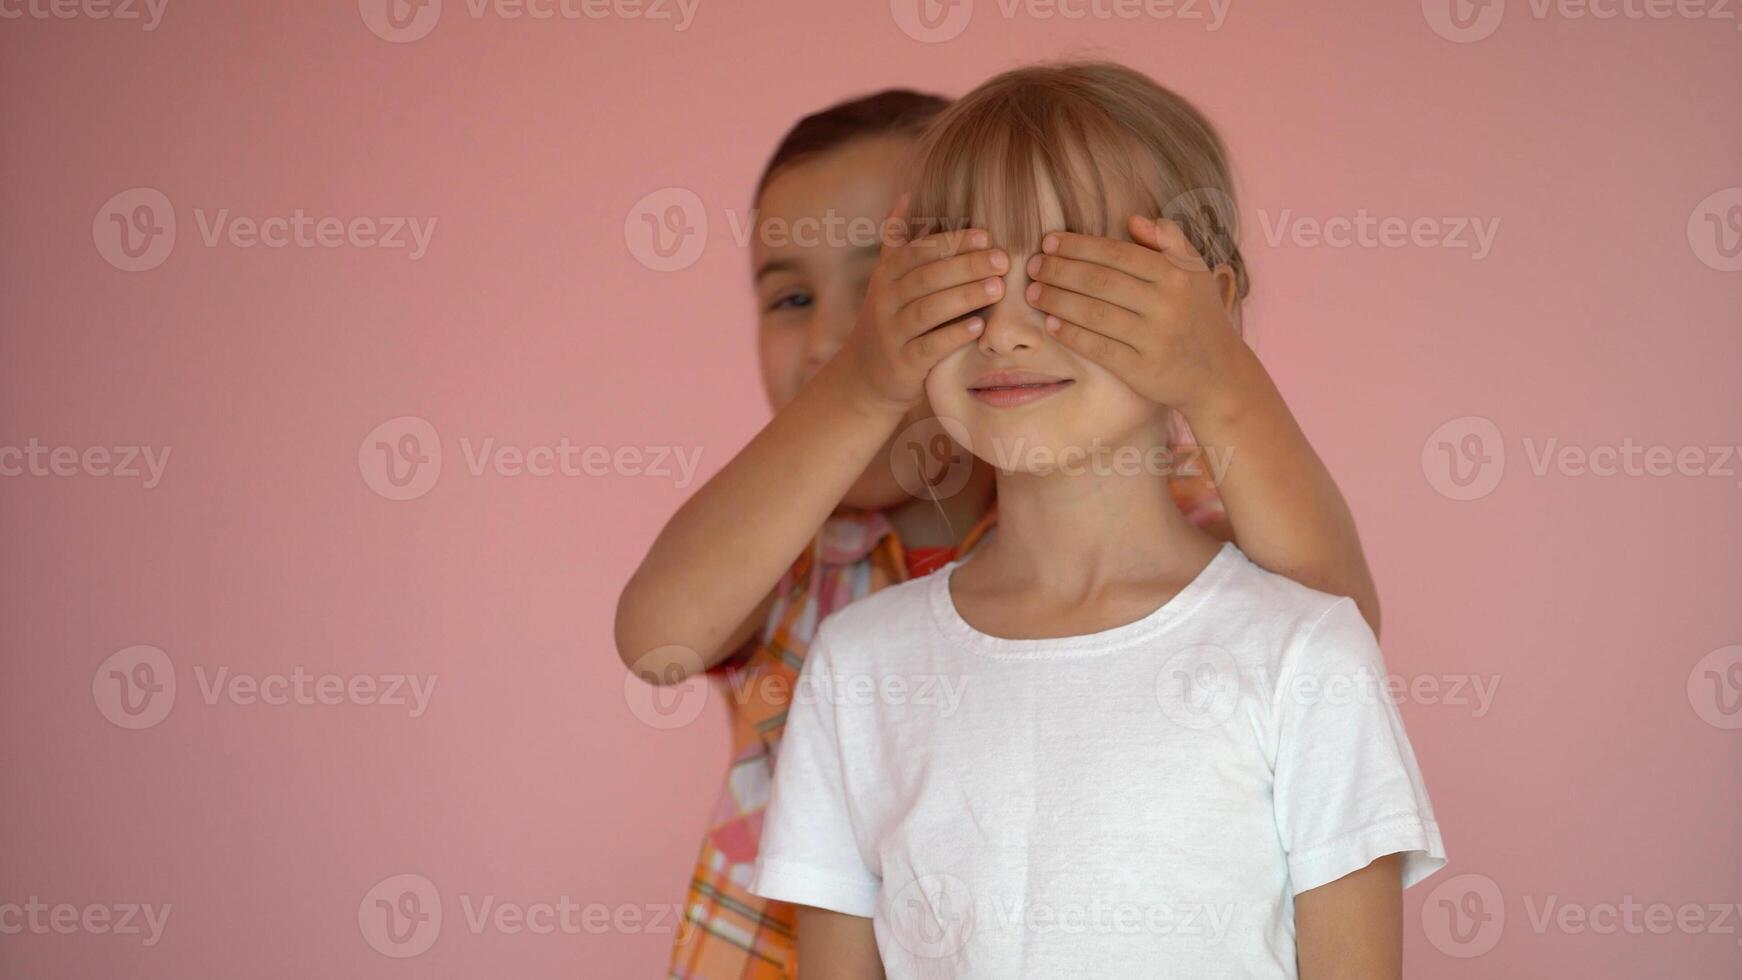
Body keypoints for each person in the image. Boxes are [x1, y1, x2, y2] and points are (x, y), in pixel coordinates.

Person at [620, 84, 1382, 979]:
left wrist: (1217, 372)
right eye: (791, 300)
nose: (834, 335)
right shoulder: (795, 559)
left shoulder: (1145, 506)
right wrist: (865, 380)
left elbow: (1334, 633)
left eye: (891, 286)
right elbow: (656, 638)